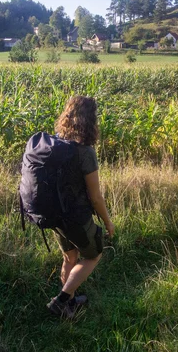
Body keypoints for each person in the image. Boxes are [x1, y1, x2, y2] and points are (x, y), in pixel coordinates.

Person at [46, 96, 115, 319]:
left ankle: (70, 303)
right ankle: (61, 301)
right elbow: (95, 197)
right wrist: (108, 222)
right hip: (76, 216)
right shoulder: (85, 152)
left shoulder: (56, 143)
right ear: (91, 120)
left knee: (70, 257)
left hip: (55, 215)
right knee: (93, 255)